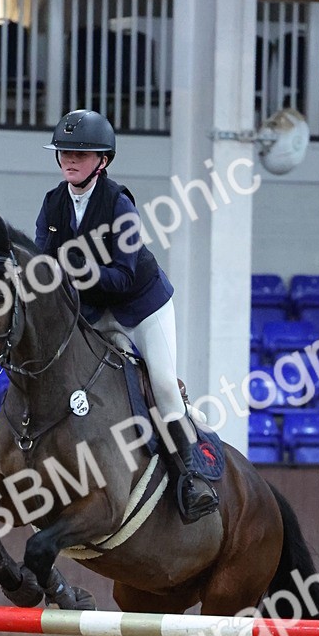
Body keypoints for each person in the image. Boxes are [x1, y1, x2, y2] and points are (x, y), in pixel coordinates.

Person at [34, 108, 218, 522]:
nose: (69, 159)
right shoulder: (53, 203)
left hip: (141, 308)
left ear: (102, 161)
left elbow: (122, 277)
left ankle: (192, 478)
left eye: (80, 154)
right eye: (64, 152)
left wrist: (76, 272)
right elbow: (45, 266)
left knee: (164, 386)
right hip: (93, 311)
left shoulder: (120, 205)